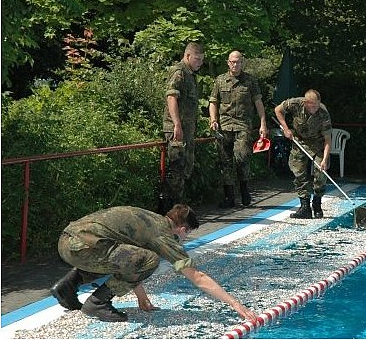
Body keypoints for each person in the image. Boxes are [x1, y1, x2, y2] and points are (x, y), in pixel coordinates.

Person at [50, 204, 257, 323]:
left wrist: (141, 296)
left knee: (133, 257)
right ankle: (97, 304)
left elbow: (126, 259)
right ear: (183, 229)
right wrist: (235, 304)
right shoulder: (163, 235)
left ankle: (67, 285)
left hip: (67, 241)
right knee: (150, 260)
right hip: (84, 249)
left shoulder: (150, 218)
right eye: (187, 235)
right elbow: (197, 277)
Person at [209, 50, 267, 208]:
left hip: (243, 125)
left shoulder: (250, 81)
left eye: (238, 62)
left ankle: (245, 191)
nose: (235, 64)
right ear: (228, 62)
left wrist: (263, 123)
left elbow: (258, 103)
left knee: (241, 158)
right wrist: (213, 119)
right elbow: (213, 102)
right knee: (225, 162)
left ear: (242, 63)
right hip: (225, 125)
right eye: (232, 62)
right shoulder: (220, 80)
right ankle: (229, 196)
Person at [160, 42, 204, 213]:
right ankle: (170, 212)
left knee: (185, 169)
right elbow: (171, 97)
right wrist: (177, 123)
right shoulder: (180, 72)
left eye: (201, 59)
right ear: (187, 56)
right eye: (197, 59)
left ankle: (176, 211)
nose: (200, 62)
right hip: (176, 129)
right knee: (176, 171)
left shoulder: (190, 74)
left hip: (186, 130)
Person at [274, 89, 332, 219]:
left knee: (321, 173)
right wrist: (286, 128)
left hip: (318, 143)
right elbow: (278, 110)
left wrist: (325, 159)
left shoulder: (323, 113)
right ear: (306, 103)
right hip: (299, 141)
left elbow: (328, 139)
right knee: (298, 172)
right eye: (312, 105)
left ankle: (317, 204)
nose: (315, 108)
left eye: (317, 105)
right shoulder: (295, 103)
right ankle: (304, 206)